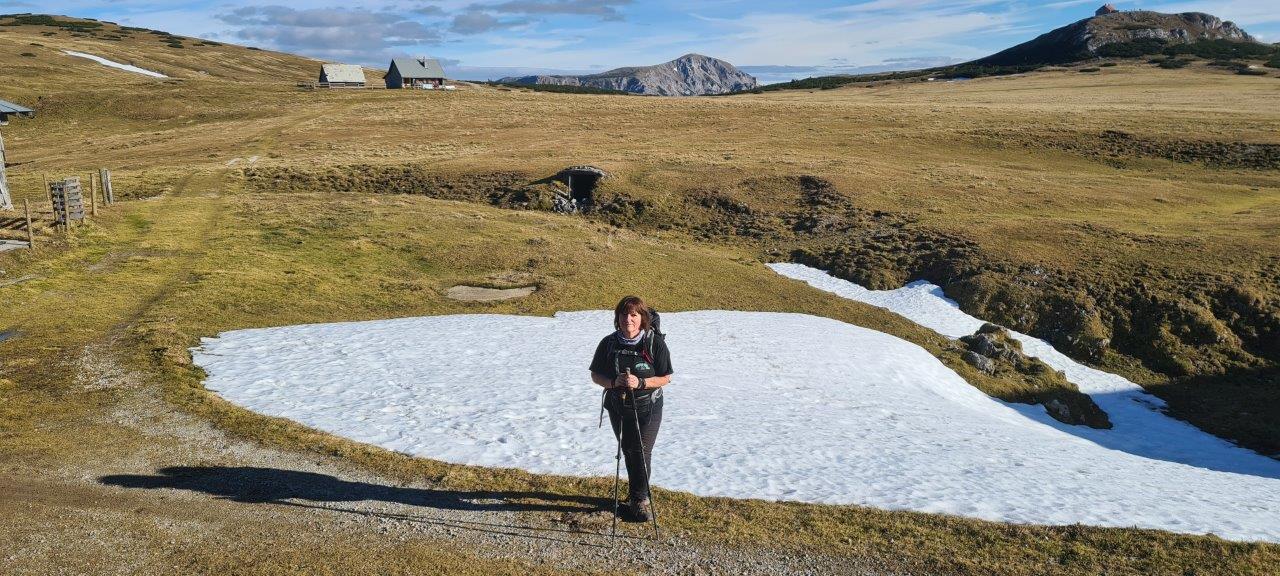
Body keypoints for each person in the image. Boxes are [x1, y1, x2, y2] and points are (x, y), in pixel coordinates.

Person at [590, 295, 672, 522]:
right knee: (627, 448)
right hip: (619, 406)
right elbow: (596, 375)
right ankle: (636, 494)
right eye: (624, 314)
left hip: (649, 406)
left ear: (642, 318)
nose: (628, 319)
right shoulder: (608, 343)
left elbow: (666, 377)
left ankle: (640, 500)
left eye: (634, 315)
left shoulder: (654, 343)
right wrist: (614, 383)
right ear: (617, 317)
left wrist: (642, 383)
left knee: (640, 450)